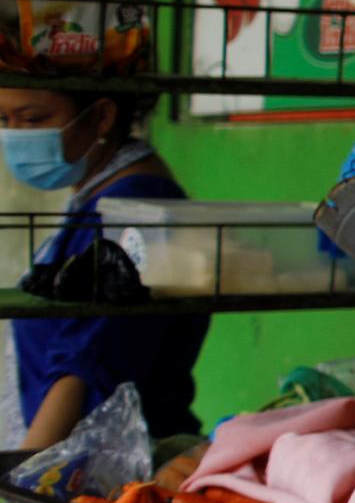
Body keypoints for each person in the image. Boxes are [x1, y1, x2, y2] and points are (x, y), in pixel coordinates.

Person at [4, 84, 211, 449]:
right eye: (4, 119)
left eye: (34, 118)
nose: (16, 136)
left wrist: (23, 479)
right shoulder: (93, 198)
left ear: (102, 117)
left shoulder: (133, 204)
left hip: (103, 464)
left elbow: (85, 365)